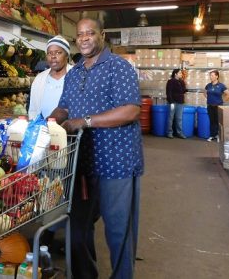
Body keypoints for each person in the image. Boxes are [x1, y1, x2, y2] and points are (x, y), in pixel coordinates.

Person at [49, 17, 142, 279]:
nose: (85, 38)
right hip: (81, 162)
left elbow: (131, 110)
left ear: (102, 35)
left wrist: (85, 121)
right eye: (80, 35)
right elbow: (64, 106)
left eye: (90, 33)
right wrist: (50, 120)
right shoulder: (75, 71)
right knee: (77, 227)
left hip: (117, 161)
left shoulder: (118, 67)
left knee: (117, 230)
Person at [28, 35, 72, 120]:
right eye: (49, 53)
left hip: (69, 130)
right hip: (43, 129)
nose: (53, 56)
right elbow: (33, 109)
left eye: (58, 52)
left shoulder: (75, 76)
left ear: (67, 55)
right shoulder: (39, 79)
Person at [204, 70, 229, 142]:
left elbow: (228, 94)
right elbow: (205, 93)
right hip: (210, 106)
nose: (211, 77)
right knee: (212, 121)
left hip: (218, 106)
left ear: (217, 76)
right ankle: (212, 135)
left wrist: (222, 101)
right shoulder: (208, 85)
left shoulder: (221, 86)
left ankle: (218, 135)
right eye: (210, 75)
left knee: (218, 121)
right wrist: (209, 99)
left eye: (212, 75)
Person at [166, 68, 187, 139]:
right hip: (173, 102)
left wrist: (185, 87)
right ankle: (169, 133)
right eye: (180, 73)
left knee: (179, 118)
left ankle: (179, 133)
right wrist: (171, 102)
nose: (181, 74)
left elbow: (183, 91)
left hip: (180, 102)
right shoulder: (170, 81)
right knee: (171, 117)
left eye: (181, 73)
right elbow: (168, 92)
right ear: (175, 74)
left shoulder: (182, 81)